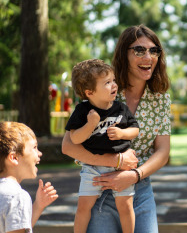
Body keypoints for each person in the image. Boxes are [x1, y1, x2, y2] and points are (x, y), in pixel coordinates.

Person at [62, 24, 171, 233]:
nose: (148, 56)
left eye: (154, 50)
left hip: (139, 191)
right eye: (139, 50)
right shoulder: (104, 88)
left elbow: (163, 151)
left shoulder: (160, 99)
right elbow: (68, 146)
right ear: (124, 54)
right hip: (99, 188)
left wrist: (135, 175)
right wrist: (116, 161)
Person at [66, 59, 140, 233]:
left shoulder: (120, 108)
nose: (114, 84)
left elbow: (135, 129)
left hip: (122, 168)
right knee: (83, 206)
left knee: (125, 205)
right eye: (107, 82)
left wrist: (122, 134)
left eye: (113, 80)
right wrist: (90, 125)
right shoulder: (82, 111)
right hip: (92, 168)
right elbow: (75, 138)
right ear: (89, 92)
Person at [0, 121, 58, 233]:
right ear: (14, 158)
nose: (39, 153)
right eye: (34, 147)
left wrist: (38, 206)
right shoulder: (17, 197)